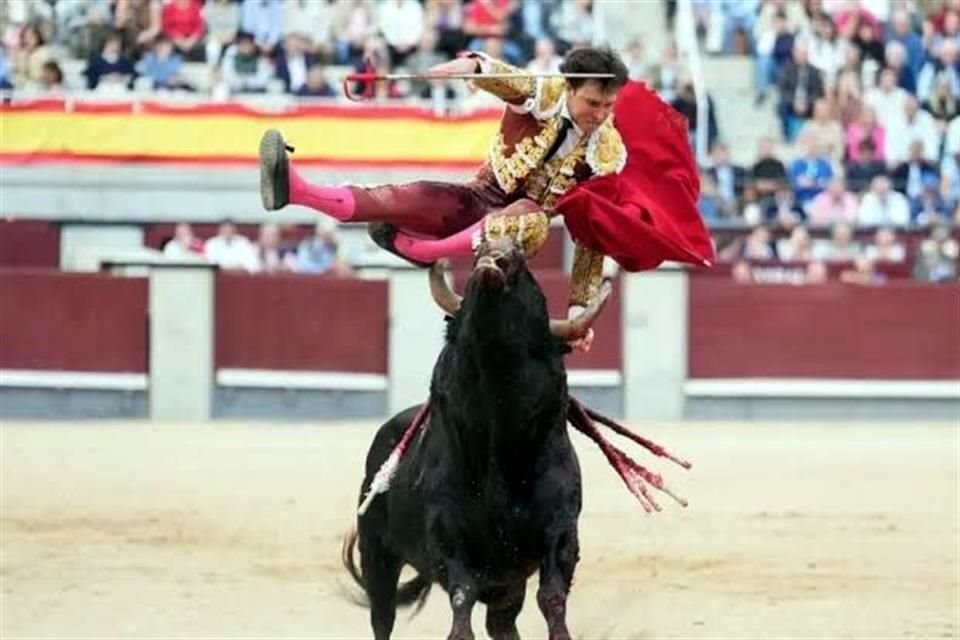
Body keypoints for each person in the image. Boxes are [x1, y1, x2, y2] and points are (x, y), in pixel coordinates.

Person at [258, 47, 714, 349]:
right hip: (476, 201)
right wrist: (467, 67)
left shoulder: (607, 152)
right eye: (593, 103)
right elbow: (498, 75)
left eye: (608, 106)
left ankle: (417, 250)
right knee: (407, 196)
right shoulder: (543, 94)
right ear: (571, 87)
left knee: (530, 216)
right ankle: (297, 189)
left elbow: (591, 231)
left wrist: (578, 310)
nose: (600, 115)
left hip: (517, 236)